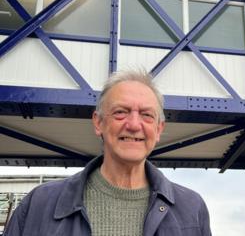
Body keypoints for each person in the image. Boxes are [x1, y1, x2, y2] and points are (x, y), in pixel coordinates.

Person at [4, 70, 212, 236]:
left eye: (147, 115)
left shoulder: (192, 209)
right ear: (98, 122)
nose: (133, 124)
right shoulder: (38, 205)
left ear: (158, 129)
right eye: (120, 112)